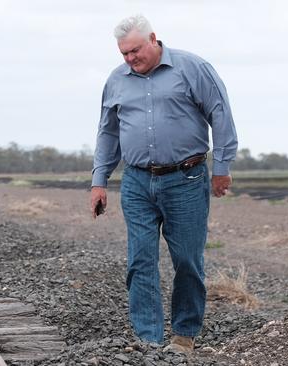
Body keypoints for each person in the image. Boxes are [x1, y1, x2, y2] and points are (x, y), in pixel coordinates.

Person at [90, 15, 238, 354]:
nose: (130, 59)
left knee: (187, 259)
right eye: (124, 53)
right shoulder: (116, 81)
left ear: (154, 39)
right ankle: (149, 340)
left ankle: (184, 335)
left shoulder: (192, 68)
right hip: (137, 182)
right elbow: (107, 132)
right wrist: (99, 181)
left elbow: (221, 114)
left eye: (135, 51)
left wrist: (222, 166)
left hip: (186, 179)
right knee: (140, 260)